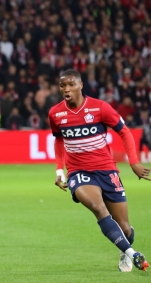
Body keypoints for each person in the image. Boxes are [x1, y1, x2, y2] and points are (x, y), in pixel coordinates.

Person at [48, 69, 150, 272]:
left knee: (125, 227)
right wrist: (60, 170)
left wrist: (134, 162)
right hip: (78, 172)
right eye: (62, 85)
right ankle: (132, 254)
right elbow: (59, 140)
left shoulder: (100, 107)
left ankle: (124, 248)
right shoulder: (55, 113)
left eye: (70, 84)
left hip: (106, 170)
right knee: (97, 207)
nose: (66, 89)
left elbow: (124, 131)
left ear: (80, 85)